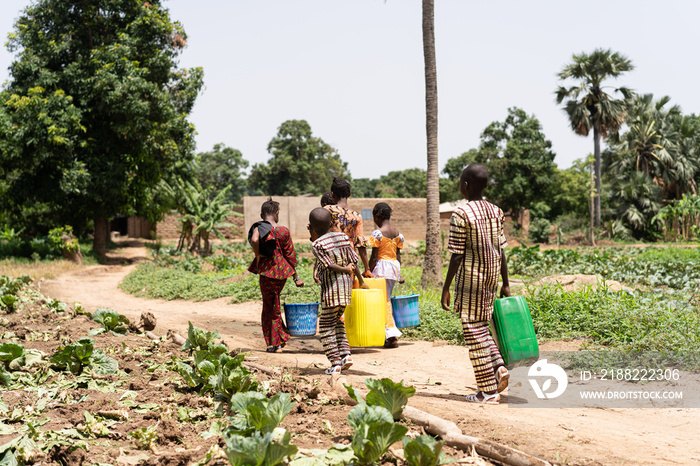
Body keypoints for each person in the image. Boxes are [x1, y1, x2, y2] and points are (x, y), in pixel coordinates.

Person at [441, 164, 511, 405]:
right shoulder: (496, 211)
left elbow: (457, 255)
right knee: (481, 326)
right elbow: (501, 250)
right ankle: (499, 367)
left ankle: (488, 392)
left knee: (472, 332)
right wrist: (506, 283)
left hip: (471, 279)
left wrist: (446, 287)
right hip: (491, 278)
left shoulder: (461, 214)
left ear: (466, 185)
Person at [308, 207, 368, 375]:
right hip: (345, 289)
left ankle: (335, 364)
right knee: (337, 322)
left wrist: (342, 268)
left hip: (331, 291)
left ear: (311, 226)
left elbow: (329, 265)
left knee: (326, 326)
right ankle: (346, 355)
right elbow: (354, 262)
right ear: (332, 222)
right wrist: (361, 281)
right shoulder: (342, 237)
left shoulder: (317, 244)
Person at [248, 198, 304, 353]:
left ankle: (273, 343)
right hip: (281, 273)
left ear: (262, 214)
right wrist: (295, 276)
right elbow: (290, 255)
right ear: (276, 213)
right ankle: (278, 341)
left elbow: (254, 239)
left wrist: (257, 254)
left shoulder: (259, 227)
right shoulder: (283, 231)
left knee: (269, 306)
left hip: (266, 272)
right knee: (275, 303)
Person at [368, 202, 404, 349]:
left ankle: (391, 334)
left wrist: (368, 270)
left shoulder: (378, 234)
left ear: (377, 216)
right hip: (394, 267)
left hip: (381, 268)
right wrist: (399, 274)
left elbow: (374, 257)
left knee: (383, 301)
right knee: (385, 299)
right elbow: (398, 255)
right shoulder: (398, 234)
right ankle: (386, 333)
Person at [324, 178, 373, 278]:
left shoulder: (327, 210)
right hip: (350, 257)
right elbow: (361, 244)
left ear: (333, 194)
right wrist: (367, 268)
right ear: (349, 194)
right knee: (349, 288)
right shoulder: (356, 216)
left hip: (331, 254)